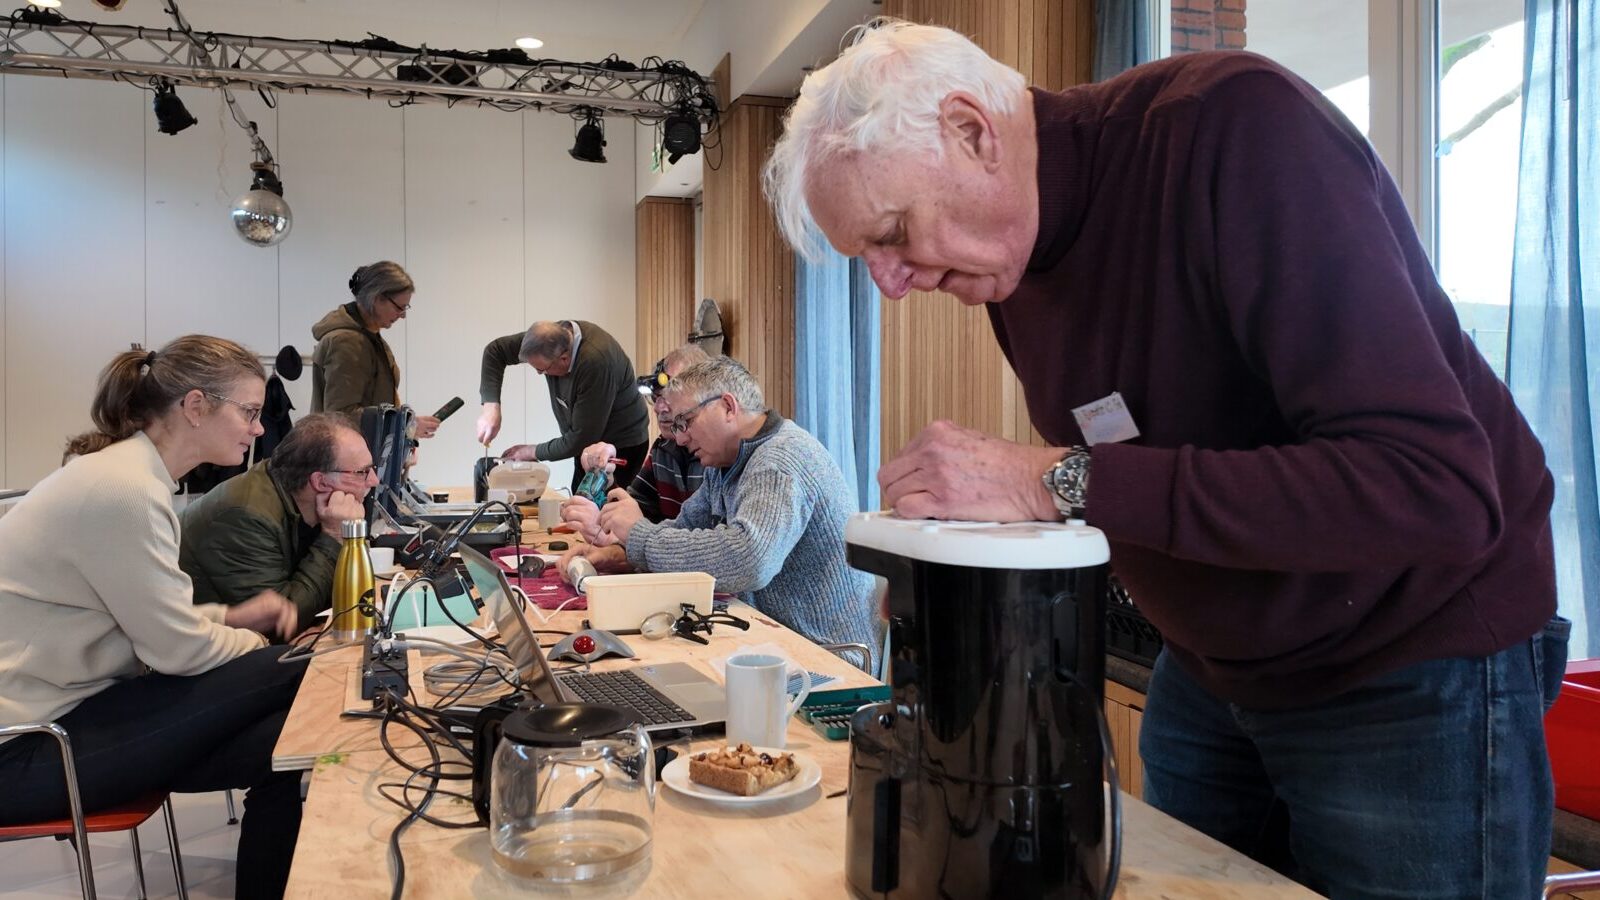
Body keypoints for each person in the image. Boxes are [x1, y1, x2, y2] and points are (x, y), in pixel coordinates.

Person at [763, 19, 1567, 900]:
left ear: (971, 131)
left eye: (891, 231)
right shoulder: (1007, 263)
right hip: (1214, 663)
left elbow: (1433, 488)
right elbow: (1139, 461)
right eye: (868, 256)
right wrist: (948, 562)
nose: (890, 282)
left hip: (1405, 664)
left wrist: (1052, 481)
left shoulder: (1236, 132)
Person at [0, 335, 309, 899]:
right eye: (249, 412)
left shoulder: (129, 478)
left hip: (71, 715)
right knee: (301, 663)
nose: (260, 429)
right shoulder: (124, 491)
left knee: (286, 745)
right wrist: (257, 649)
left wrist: (231, 619)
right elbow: (177, 651)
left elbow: (152, 616)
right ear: (195, 407)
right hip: (26, 750)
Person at [558, 357, 878, 650]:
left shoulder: (780, 460)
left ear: (727, 406)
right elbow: (684, 530)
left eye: (685, 422)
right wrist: (620, 555)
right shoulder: (727, 465)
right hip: (773, 639)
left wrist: (639, 535)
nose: (680, 438)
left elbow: (748, 562)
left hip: (826, 656)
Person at [179, 412, 376, 634]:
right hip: (196, 656)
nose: (373, 481)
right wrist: (334, 537)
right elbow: (282, 625)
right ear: (320, 481)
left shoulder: (296, 495)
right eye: (362, 472)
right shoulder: (246, 517)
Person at [476, 320, 650, 493]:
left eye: (542, 369)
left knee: (602, 511)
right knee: (580, 505)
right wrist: (491, 408)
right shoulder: (548, 338)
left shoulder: (595, 361)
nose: (539, 373)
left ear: (564, 358)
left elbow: (581, 439)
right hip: (587, 444)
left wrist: (532, 451)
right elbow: (496, 351)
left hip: (621, 446)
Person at [562, 343, 710, 541]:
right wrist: (604, 477)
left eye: (670, 397)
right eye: (656, 397)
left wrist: (613, 537)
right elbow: (634, 511)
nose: (659, 408)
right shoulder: (663, 450)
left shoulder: (716, 457)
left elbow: (703, 545)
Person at [310, 260, 439, 437]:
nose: (402, 315)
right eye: (399, 307)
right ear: (377, 298)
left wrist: (405, 429)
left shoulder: (369, 337)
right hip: (348, 458)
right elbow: (341, 416)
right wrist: (404, 426)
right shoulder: (347, 342)